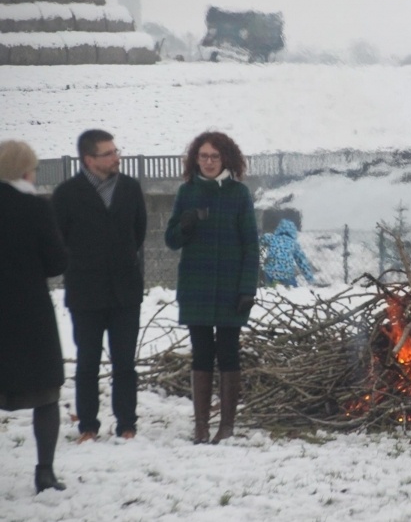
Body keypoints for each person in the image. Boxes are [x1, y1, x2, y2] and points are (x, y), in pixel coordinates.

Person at [52, 129, 146, 443]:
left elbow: (139, 231)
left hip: (125, 292)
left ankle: (126, 424)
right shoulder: (66, 194)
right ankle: (88, 426)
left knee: (124, 363)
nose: (116, 157)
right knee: (87, 362)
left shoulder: (130, 188)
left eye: (115, 151)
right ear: (89, 159)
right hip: (85, 293)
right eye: (108, 153)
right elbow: (59, 240)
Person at [165, 131, 259, 444]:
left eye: (214, 156)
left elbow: (251, 245)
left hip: (231, 288)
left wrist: (248, 288)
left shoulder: (239, 194)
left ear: (226, 159)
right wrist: (185, 225)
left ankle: (227, 425)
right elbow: (171, 240)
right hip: (196, 286)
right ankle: (201, 426)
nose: (207, 162)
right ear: (195, 158)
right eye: (203, 156)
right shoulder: (186, 192)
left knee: (229, 352)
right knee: (201, 353)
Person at [0, 141, 68, 493]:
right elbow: (57, 262)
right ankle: (44, 472)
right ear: (27, 170)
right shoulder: (36, 208)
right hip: (30, 315)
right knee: (45, 394)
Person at [261, 218, 315, 287]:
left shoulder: (271, 238)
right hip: (287, 274)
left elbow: (262, 239)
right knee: (292, 290)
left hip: (270, 273)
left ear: (279, 229)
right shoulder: (294, 244)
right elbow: (302, 262)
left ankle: (271, 288)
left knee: (270, 287)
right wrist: (310, 279)